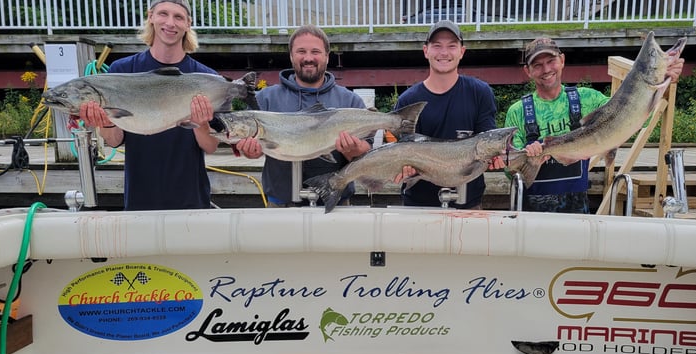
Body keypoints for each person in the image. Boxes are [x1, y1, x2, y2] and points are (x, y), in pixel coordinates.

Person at [504, 37, 685, 214]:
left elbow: (632, 112)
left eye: (551, 61)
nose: (546, 69)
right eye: (537, 65)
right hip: (532, 216)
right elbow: (509, 168)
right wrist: (529, 154)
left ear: (562, 60)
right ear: (528, 71)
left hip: (578, 211)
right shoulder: (517, 111)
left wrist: (667, 81)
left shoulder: (588, 99)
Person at [79, 0, 219, 210]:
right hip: (139, 199)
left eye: (178, 17)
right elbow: (115, 141)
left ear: (188, 24)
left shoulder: (207, 78)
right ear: (151, 16)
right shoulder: (122, 71)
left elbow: (211, 146)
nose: (170, 23)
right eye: (163, 14)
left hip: (191, 199)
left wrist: (202, 124)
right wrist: (105, 123)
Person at [235, 25, 370, 207]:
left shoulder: (351, 102)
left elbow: (366, 153)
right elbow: (248, 147)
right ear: (291, 56)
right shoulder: (264, 100)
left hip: (336, 205)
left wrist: (355, 151)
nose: (308, 58)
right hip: (281, 205)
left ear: (327, 56)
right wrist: (250, 151)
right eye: (301, 51)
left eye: (315, 51)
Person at [393, 20, 504, 210]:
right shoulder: (407, 102)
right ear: (425, 50)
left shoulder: (480, 93)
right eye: (437, 46)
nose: (444, 53)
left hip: (469, 204)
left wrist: (499, 156)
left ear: (462, 51)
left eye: (451, 46)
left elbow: (488, 143)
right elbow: (404, 152)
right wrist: (406, 168)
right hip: (419, 207)